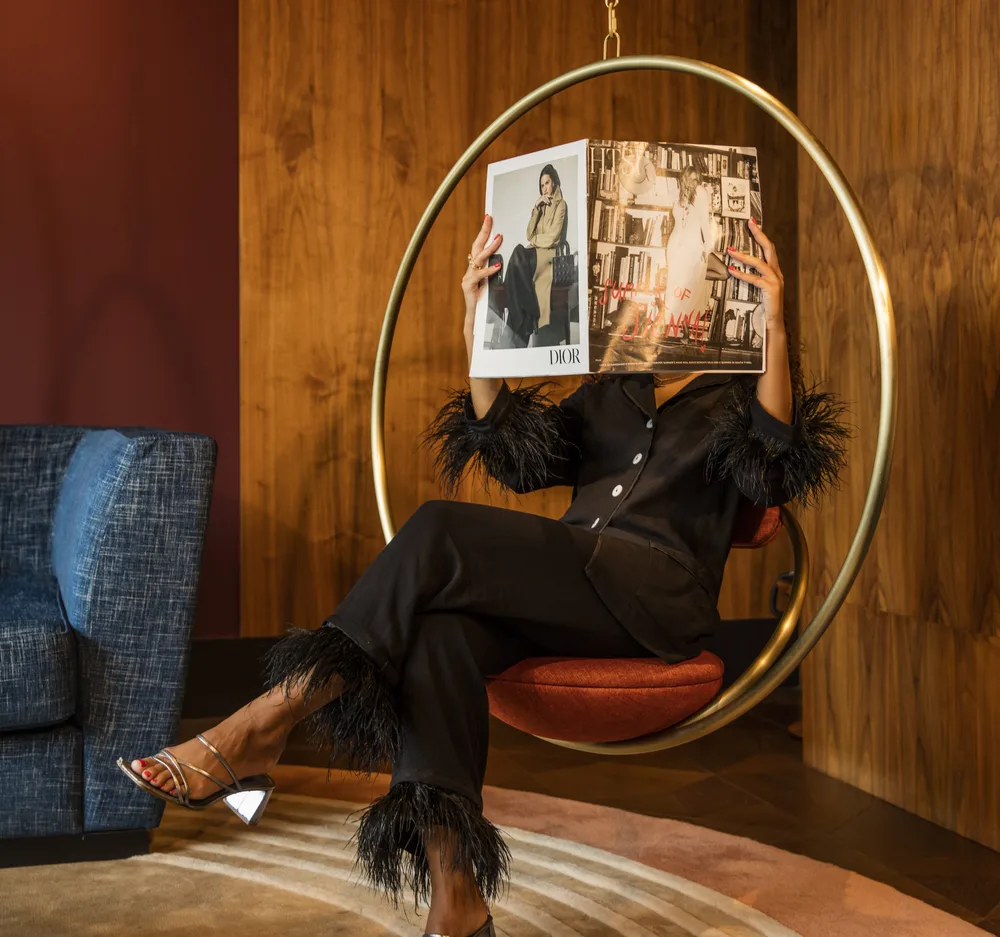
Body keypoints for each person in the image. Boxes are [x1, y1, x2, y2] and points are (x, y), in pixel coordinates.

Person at [117, 213, 848, 937]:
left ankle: (264, 720)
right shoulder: (612, 387)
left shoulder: (738, 388)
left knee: (437, 525)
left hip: (657, 597)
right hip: (573, 583)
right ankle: (458, 900)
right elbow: (518, 461)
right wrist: (483, 327)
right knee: (439, 634)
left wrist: (775, 328)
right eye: (650, 282)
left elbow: (774, 464)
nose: (660, 295)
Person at [501, 164, 568, 347]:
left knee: (518, 254)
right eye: (542, 185)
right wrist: (536, 208)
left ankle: (519, 318)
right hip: (536, 252)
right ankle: (526, 314)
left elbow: (553, 237)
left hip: (548, 255)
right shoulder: (541, 205)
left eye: (547, 183)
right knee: (517, 254)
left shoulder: (561, 205)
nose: (544, 188)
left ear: (554, 183)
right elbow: (528, 233)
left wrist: (535, 239)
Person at [660, 164, 716, 342]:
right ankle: (675, 334)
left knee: (689, 288)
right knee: (676, 287)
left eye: (696, 179)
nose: (692, 182)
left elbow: (705, 224)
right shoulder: (677, 194)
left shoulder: (701, 192)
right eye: (689, 178)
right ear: (683, 178)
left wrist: (707, 247)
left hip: (693, 246)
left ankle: (681, 331)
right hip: (676, 246)